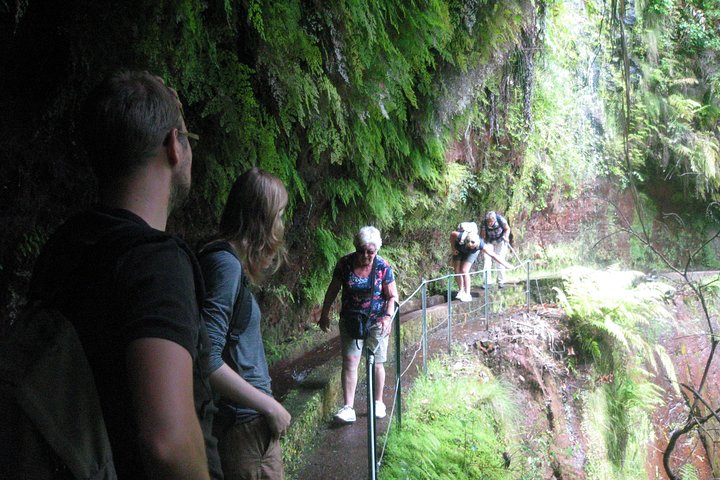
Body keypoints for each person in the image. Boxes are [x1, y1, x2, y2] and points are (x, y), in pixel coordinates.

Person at [27, 71, 222, 479]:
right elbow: (166, 442)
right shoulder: (157, 263)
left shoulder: (63, 248)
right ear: (173, 146)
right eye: (187, 138)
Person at [198, 168, 291, 480]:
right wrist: (270, 407)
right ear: (261, 218)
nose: (282, 224)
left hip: (254, 424)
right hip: (241, 427)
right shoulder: (224, 265)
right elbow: (207, 360)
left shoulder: (230, 263)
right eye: (279, 215)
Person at [318, 226, 399, 423]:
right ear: (356, 247)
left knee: (377, 362)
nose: (365, 255)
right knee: (350, 362)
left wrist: (388, 318)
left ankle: (378, 403)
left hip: (377, 321)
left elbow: (393, 296)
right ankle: (348, 407)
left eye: (370, 252)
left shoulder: (383, 267)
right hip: (351, 320)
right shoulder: (345, 264)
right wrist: (324, 313)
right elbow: (333, 290)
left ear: (376, 250)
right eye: (361, 250)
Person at [450, 225, 509, 301]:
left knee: (464, 270)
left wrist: (505, 264)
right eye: (470, 246)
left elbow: (493, 255)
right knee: (457, 269)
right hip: (459, 248)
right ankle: (461, 290)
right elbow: (452, 234)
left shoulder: (481, 244)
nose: (471, 246)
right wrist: (453, 248)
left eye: (473, 246)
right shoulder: (461, 236)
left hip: (471, 253)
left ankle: (467, 294)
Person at [480, 211, 512, 288]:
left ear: (494, 220)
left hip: (500, 240)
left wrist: (506, 236)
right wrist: (482, 245)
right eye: (488, 221)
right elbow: (482, 234)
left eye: (491, 221)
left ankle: (501, 281)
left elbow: (507, 229)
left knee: (500, 260)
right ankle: (487, 282)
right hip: (489, 241)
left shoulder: (501, 220)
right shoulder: (484, 222)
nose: (489, 223)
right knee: (487, 260)